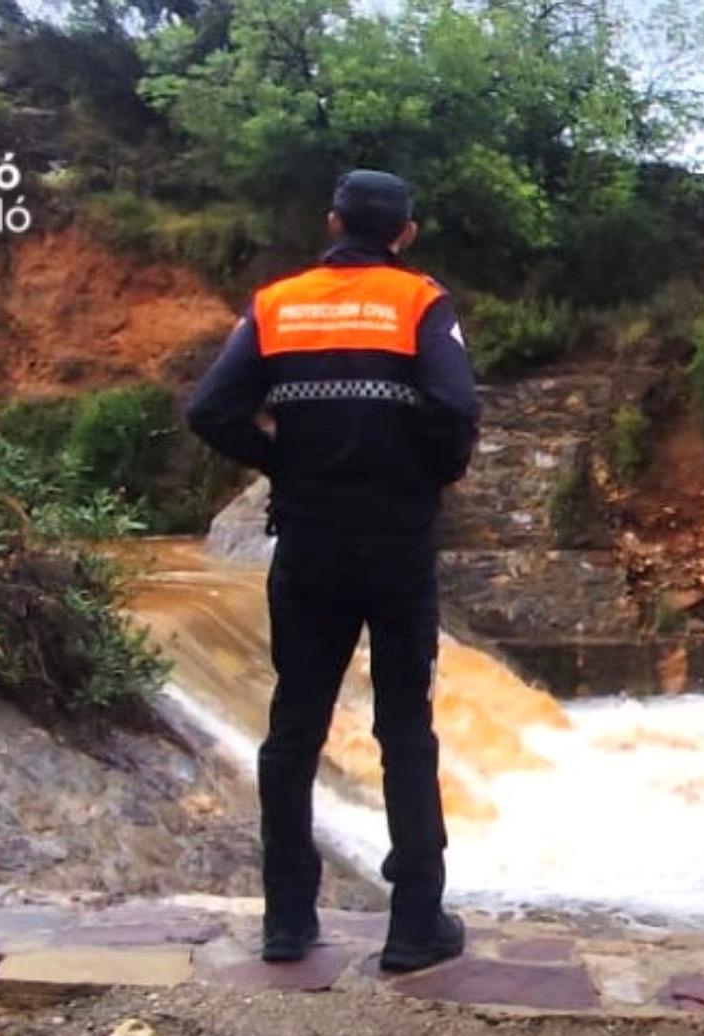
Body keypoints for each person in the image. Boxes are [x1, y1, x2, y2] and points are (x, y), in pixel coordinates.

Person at [184, 168, 479, 973]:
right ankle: (415, 924)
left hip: (308, 543)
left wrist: (282, 461)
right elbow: (454, 406)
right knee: (403, 730)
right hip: (395, 544)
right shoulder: (420, 302)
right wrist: (433, 471)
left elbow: (209, 408)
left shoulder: (277, 304)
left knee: (293, 729)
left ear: (331, 219)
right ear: (405, 233)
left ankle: (287, 920)